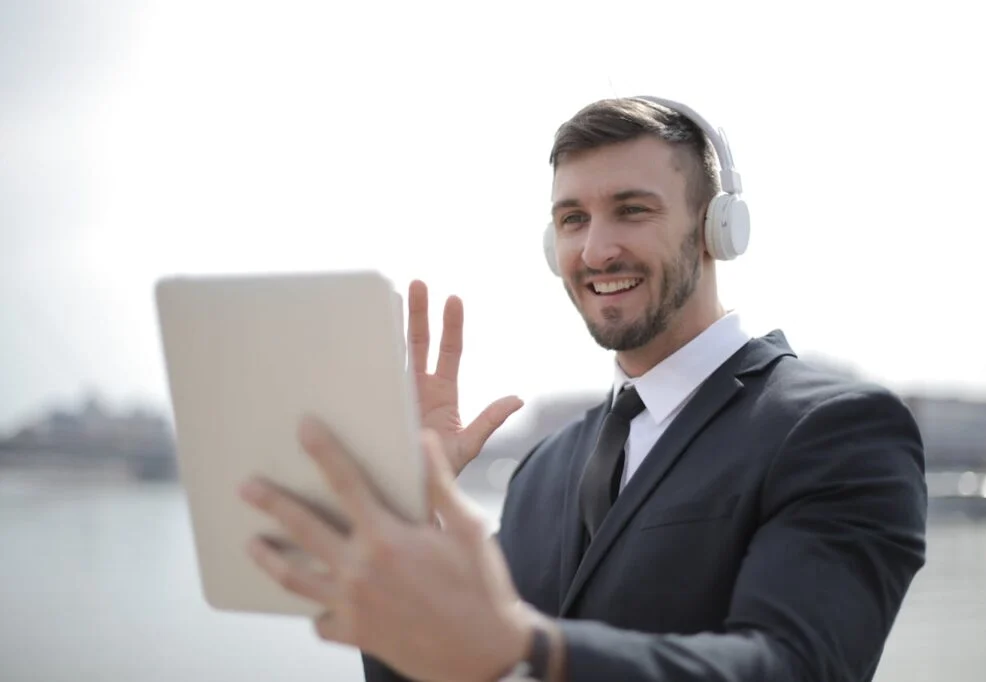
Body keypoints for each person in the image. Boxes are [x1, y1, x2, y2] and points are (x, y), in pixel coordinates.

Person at [238, 95, 928, 681]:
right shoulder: (545, 468)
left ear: (718, 230)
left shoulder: (837, 429)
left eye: (632, 210)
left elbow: (791, 664)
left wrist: (532, 646)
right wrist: (404, 507)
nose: (596, 251)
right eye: (573, 219)